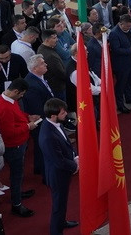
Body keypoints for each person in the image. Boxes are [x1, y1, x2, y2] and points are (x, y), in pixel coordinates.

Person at [0, 78, 37, 218]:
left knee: (18, 173)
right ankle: (17, 204)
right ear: (15, 91)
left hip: (19, 143)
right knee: (16, 174)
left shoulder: (8, 99)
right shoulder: (5, 107)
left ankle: (17, 193)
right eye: (21, 94)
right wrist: (28, 126)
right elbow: (8, 132)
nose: (22, 97)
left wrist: (28, 117)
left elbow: (17, 116)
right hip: (14, 146)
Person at [38, 98, 79, 234]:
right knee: (58, 205)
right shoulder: (48, 136)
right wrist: (75, 166)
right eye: (62, 113)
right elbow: (58, 161)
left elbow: (66, 143)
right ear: (53, 116)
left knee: (62, 203)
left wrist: (75, 156)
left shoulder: (56, 124)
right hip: (57, 175)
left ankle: (62, 222)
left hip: (62, 171)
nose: (66, 114)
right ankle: (56, 231)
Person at [24, 55, 55, 176]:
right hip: (41, 121)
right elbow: (37, 109)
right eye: (42, 63)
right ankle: (43, 171)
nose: (46, 64)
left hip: (45, 118)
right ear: (35, 68)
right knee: (42, 146)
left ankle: (41, 167)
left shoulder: (39, 77)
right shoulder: (31, 84)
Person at [108, 15, 131, 113]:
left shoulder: (130, 28)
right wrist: (130, 50)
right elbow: (116, 49)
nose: (129, 28)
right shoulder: (114, 33)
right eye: (127, 26)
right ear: (121, 24)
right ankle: (120, 104)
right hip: (121, 64)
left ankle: (129, 98)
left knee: (129, 81)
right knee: (121, 84)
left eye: (130, 26)